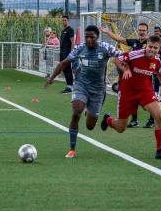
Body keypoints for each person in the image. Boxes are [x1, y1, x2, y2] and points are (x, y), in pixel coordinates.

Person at [43, 25, 121, 158]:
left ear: (98, 37)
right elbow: (64, 63)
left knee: (90, 126)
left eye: (92, 37)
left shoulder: (106, 47)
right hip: (81, 84)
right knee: (76, 113)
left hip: (98, 90)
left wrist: (127, 68)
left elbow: (123, 56)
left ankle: (102, 116)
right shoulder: (80, 48)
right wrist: (51, 78)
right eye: (87, 37)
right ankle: (72, 149)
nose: (89, 40)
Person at [101, 35, 161, 160]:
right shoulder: (136, 54)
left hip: (145, 92)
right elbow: (116, 60)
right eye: (150, 47)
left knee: (159, 116)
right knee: (121, 128)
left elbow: (160, 74)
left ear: (159, 49)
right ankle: (108, 119)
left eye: (155, 48)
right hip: (127, 92)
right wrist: (126, 69)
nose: (152, 50)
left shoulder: (157, 60)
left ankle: (159, 150)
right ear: (146, 45)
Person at [100, 22, 155, 128]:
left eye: (143, 30)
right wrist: (108, 32)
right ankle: (134, 120)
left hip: (146, 75)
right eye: (140, 30)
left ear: (147, 32)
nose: (141, 32)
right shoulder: (134, 42)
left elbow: (159, 45)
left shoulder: (150, 43)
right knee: (134, 98)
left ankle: (152, 120)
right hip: (133, 76)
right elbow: (120, 39)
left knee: (149, 99)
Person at [58, 15, 75, 94]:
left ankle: (70, 86)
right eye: (62, 20)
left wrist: (71, 52)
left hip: (67, 53)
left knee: (68, 69)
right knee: (64, 69)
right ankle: (68, 85)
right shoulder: (63, 30)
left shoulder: (70, 30)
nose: (63, 22)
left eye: (65, 20)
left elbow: (72, 42)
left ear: (68, 21)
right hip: (62, 52)